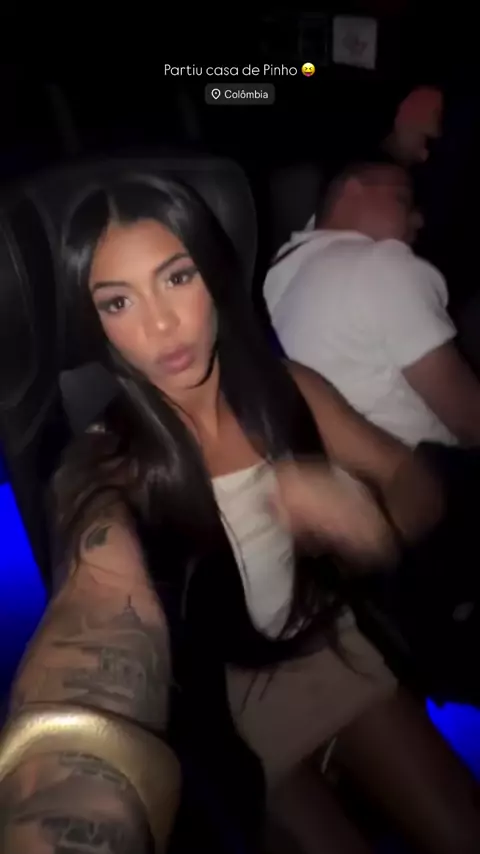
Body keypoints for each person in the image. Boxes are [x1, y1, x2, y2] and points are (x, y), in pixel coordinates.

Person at [1, 174, 479, 854]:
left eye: (177, 277)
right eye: (118, 301)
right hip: (227, 708)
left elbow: (414, 480)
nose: (160, 325)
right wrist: (63, 775)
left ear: (213, 273)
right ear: (94, 323)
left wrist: (369, 520)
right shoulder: (106, 464)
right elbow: (96, 615)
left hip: (325, 649)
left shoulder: (287, 389)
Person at [265, 156, 480, 449]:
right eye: (402, 199)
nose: (418, 220)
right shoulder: (381, 264)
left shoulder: (278, 271)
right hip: (428, 468)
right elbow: (470, 419)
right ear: (352, 191)